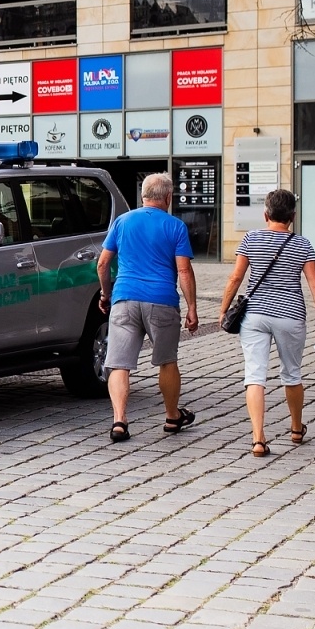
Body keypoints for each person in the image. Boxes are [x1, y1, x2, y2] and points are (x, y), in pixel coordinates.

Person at [217, 190, 315, 457]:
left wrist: (223, 310)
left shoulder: (251, 239)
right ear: (292, 216)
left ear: (265, 214)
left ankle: (258, 439)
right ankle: (295, 428)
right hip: (290, 316)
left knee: (254, 375)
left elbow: (235, 278)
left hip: (254, 315)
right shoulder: (303, 244)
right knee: (292, 373)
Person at [95, 172, 200, 443]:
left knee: (118, 364)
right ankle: (171, 416)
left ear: (143, 196)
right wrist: (192, 308)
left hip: (124, 300)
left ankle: (119, 420)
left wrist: (106, 295)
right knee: (167, 361)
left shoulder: (122, 222)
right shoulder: (175, 226)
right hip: (161, 301)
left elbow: (103, 264)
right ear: (168, 197)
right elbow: (184, 271)